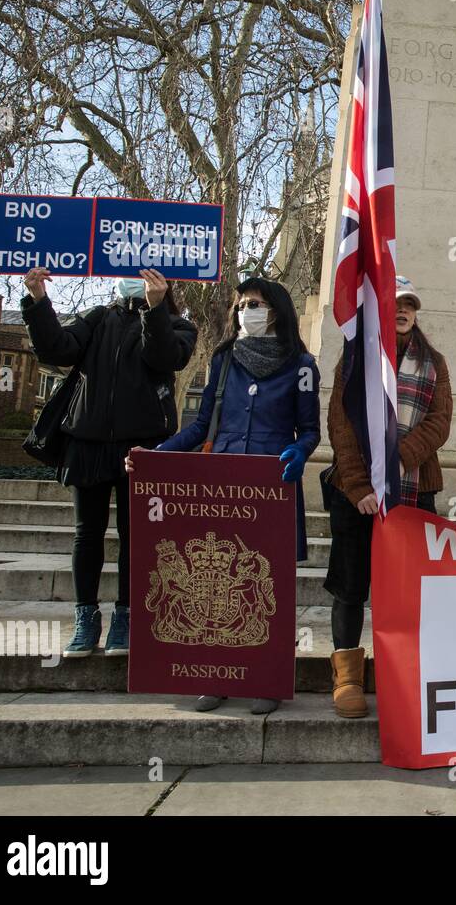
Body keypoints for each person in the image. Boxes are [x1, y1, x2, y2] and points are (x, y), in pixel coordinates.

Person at [132, 276, 320, 714]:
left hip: (273, 483)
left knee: (263, 583)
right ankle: (214, 675)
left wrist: (300, 449)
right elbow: (201, 427)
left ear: (275, 310)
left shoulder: (302, 365)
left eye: (254, 303)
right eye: (241, 304)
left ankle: (267, 679)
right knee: (216, 580)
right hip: (224, 484)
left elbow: (309, 429)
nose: (245, 310)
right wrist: (157, 455)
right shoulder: (224, 359)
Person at [21, 266, 197, 658]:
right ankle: (86, 616)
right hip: (88, 442)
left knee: (136, 536)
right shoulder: (98, 317)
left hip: (144, 446)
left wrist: (153, 310)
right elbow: (57, 349)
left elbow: (164, 357)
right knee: (87, 534)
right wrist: (37, 302)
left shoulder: (176, 324)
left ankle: (126, 615)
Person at [323, 276, 452, 719]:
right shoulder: (357, 357)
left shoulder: (434, 362)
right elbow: (340, 423)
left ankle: (403, 673)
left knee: (408, 588)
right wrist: (360, 485)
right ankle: (347, 676)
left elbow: (439, 423)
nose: (402, 312)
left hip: (412, 491)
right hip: (354, 495)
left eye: (410, 306)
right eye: (395, 305)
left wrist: (400, 461)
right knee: (350, 585)